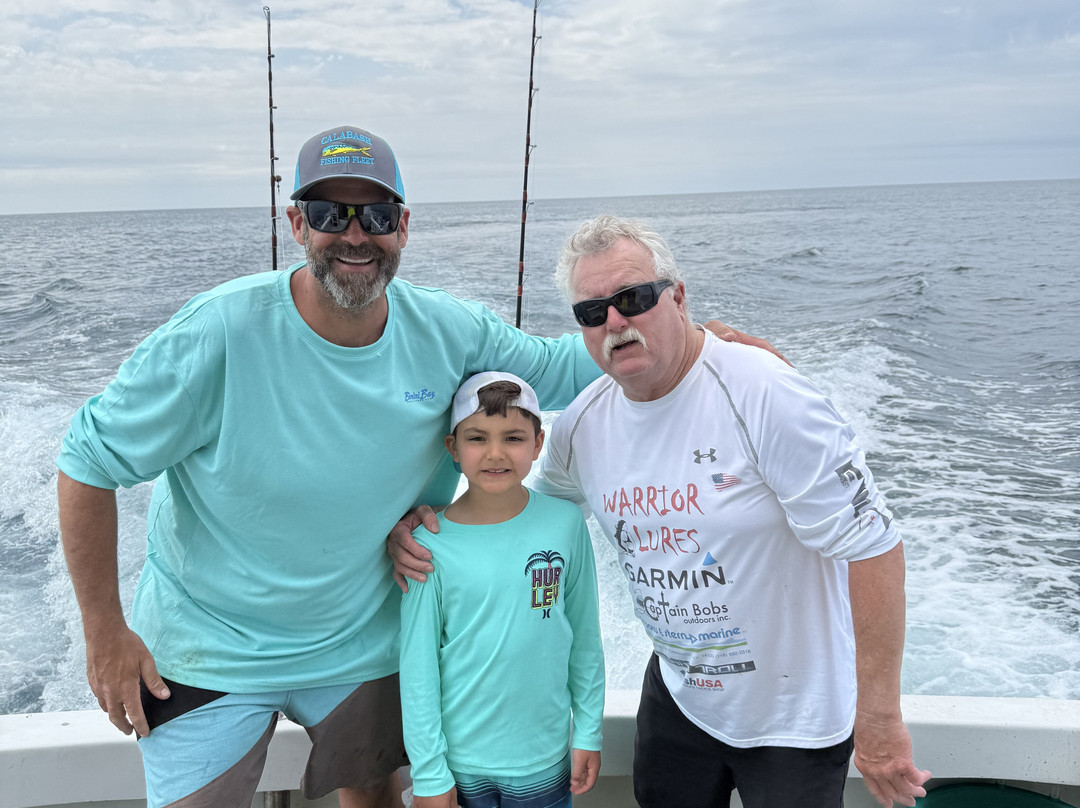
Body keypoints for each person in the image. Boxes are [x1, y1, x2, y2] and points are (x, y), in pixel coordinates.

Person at [54, 124, 604, 808]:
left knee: (375, 799)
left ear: (403, 227)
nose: (354, 235)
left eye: (375, 215)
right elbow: (86, 461)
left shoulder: (449, 330)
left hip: (360, 642)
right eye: (327, 214)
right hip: (210, 645)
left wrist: (698, 344)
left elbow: (564, 368)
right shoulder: (216, 332)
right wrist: (105, 633)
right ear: (295, 224)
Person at [392, 216, 932, 808]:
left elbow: (873, 544)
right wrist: (429, 526)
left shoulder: (765, 392)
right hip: (678, 696)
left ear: (678, 296)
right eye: (592, 312)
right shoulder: (581, 422)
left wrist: (880, 717)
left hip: (793, 712)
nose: (615, 322)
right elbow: (521, 504)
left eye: (633, 298)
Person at [400, 372, 604, 808]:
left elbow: (584, 638)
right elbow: (418, 670)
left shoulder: (566, 524)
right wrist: (430, 775)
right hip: (459, 767)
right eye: (477, 438)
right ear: (453, 448)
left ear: (538, 443)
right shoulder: (426, 546)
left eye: (513, 437)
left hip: (545, 760)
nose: (495, 454)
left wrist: (588, 729)